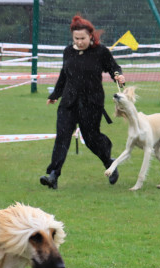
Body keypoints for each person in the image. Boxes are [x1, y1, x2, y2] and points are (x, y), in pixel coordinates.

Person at [40, 15, 125, 190]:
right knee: (62, 137)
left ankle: (109, 162)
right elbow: (64, 75)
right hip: (69, 103)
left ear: (91, 36)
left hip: (91, 103)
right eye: (76, 39)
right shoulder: (68, 51)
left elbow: (113, 67)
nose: (79, 42)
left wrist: (118, 75)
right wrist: (55, 94)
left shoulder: (100, 52)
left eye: (83, 39)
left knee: (91, 139)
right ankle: (53, 175)